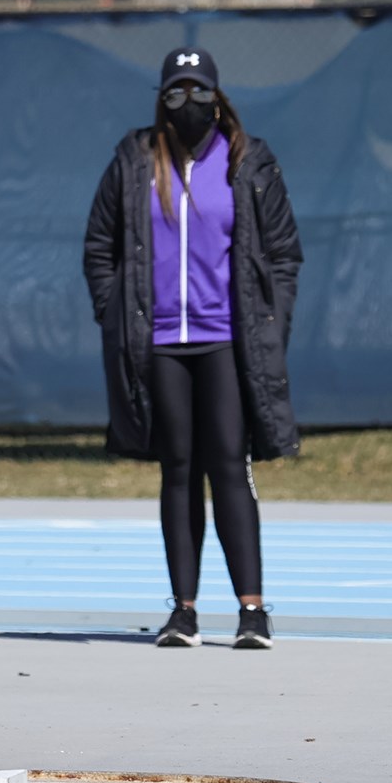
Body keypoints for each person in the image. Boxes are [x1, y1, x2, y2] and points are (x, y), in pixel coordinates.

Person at [81, 48, 301, 651]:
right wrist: (116, 314)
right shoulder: (134, 160)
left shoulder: (248, 160)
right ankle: (183, 611)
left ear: (217, 96)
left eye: (199, 92)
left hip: (226, 341)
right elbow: (101, 247)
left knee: (229, 465)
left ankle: (252, 611)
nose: (188, 105)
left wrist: (268, 325)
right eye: (176, 93)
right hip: (159, 344)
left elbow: (283, 254)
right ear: (161, 98)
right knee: (177, 469)